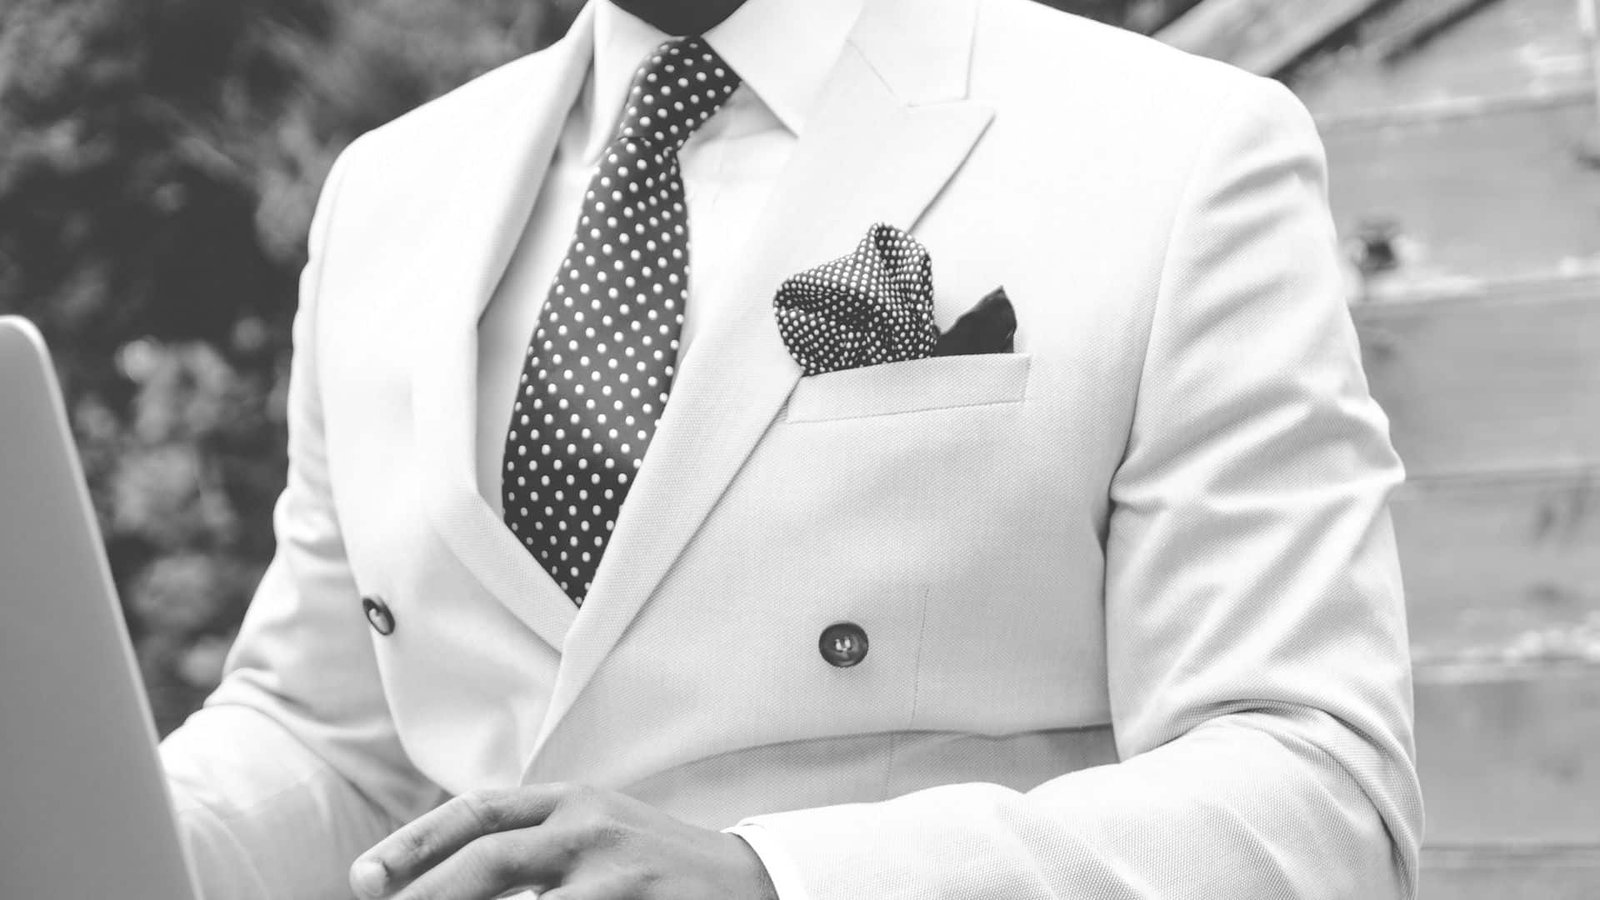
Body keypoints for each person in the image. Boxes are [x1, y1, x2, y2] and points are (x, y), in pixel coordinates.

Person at [157, 0, 1425, 896]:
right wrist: (93, 810)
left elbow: (1316, 805)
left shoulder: (1177, 150)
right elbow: (333, 745)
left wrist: (781, 880)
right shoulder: (386, 191)